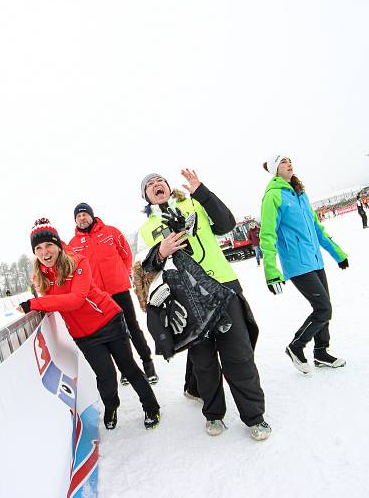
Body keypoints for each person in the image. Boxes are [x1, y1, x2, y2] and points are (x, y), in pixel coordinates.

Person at [138, 170, 271, 441]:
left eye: (159, 181)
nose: (156, 185)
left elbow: (226, 223)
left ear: (168, 186)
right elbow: (143, 265)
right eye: (149, 185)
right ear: (146, 195)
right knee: (204, 362)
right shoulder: (145, 229)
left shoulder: (194, 203)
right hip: (187, 299)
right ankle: (213, 414)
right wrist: (160, 252)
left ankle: (254, 417)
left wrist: (201, 192)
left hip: (223, 286)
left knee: (239, 355)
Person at [18, 218, 161, 430]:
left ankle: (151, 407)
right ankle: (111, 407)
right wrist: (36, 305)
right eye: (38, 248)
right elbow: (52, 304)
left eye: (48, 245)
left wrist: (34, 303)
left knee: (128, 367)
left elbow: (76, 299)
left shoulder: (78, 261)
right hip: (84, 336)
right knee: (105, 376)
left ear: (58, 245)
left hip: (109, 321)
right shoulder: (40, 277)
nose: (44, 251)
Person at [260, 154, 348, 374]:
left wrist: (338, 254)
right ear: (274, 170)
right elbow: (267, 235)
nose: (289, 163)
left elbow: (317, 228)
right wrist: (272, 272)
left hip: (314, 260)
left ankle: (321, 352)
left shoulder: (299, 193)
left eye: (289, 160)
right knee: (323, 308)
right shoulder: (273, 196)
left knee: (324, 307)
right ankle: (296, 346)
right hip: (297, 263)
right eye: (283, 162)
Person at [67, 202, 158, 385]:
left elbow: (126, 255)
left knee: (132, 327)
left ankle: (148, 363)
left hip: (119, 290)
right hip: (98, 297)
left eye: (85, 214)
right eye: (78, 216)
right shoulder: (73, 244)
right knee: (116, 334)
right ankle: (127, 369)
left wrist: (122, 274)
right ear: (75, 220)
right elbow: (73, 271)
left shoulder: (111, 232)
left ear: (92, 216)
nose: (82, 218)